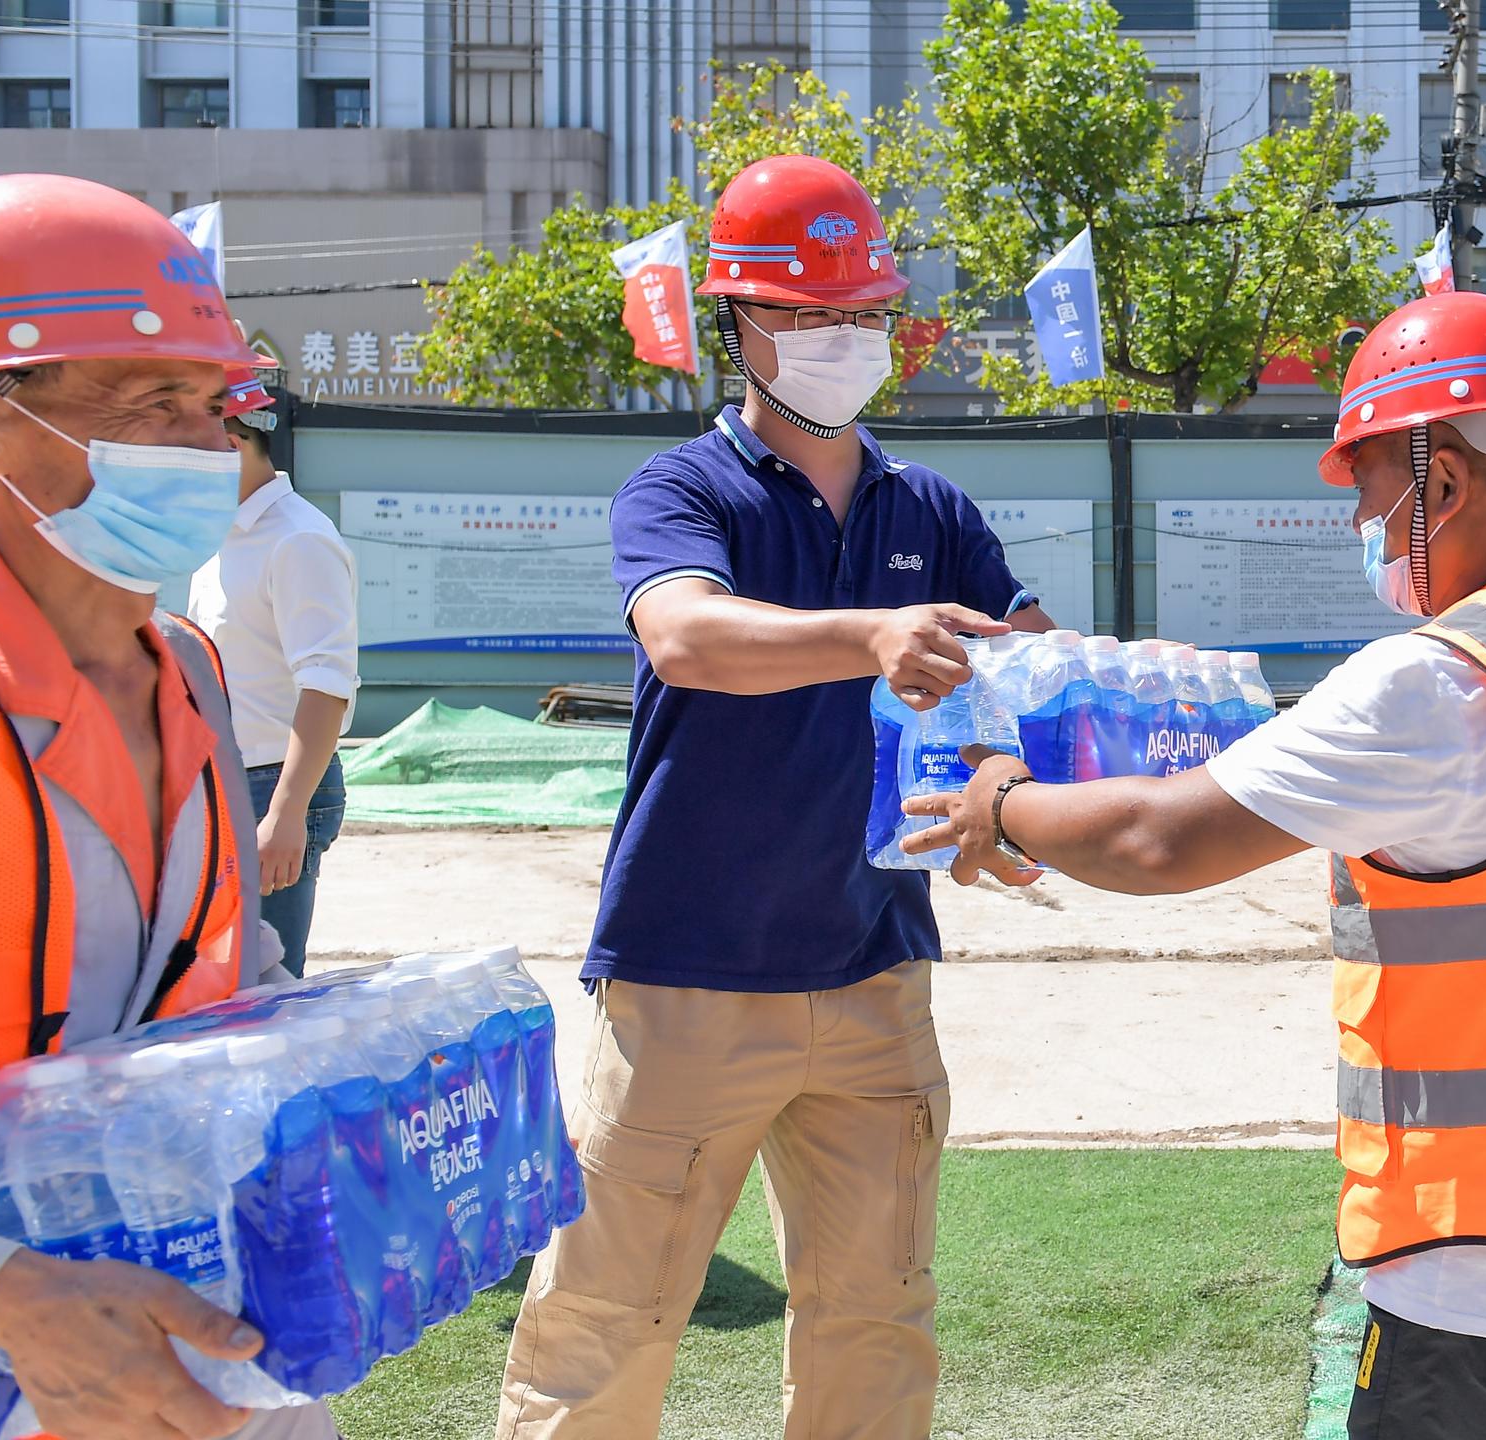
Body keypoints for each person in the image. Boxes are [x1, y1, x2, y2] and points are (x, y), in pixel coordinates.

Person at [907, 292, 1486, 1439]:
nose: (1359, 519)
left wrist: (1002, 802)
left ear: (1446, 483)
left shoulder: (1436, 680)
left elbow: (1156, 841)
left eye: (1368, 486)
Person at [497, 154, 1054, 1440]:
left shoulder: (934, 506)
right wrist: (866, 636)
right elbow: (686, 637)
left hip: (874, 971)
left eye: (860, 314)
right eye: (803, 314)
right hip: (687, 973)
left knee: (878, 1311)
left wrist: (1014, 785)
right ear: (735, 321)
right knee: (609, 1313)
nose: (837, 340)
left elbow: (1020, 663)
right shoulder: (684, 489)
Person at [0, 172, 337, 1440]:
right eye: (147, 403)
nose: (205, 451)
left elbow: (226, 977)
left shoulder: (198, 676)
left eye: (214, 407)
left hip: (198, 1339)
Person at [187, 367, 359, 977]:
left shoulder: (298, 540)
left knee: (265, 988)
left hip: (274, 787)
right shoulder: (216, 540)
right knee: (220, 978)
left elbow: (327, 684)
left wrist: (286, 815)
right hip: (224, 781)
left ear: (229, 442)